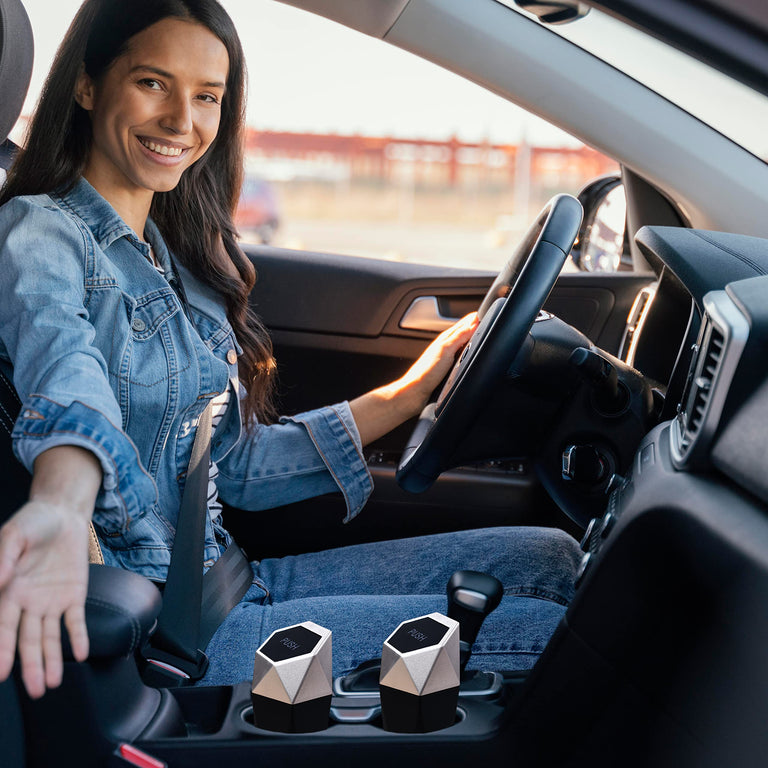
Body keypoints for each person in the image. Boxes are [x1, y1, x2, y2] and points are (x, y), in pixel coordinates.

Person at [0, 0, 581, 699]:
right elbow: (65, 372)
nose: (182, 121)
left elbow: (236, 466)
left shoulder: (173, 259)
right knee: (561, 636)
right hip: (169, 630)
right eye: (153, 83)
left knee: (553, 558)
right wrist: (62, 503)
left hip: (225, 580)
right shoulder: (40, 232)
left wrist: (409, 393)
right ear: (88, 86)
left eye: (207, 96)